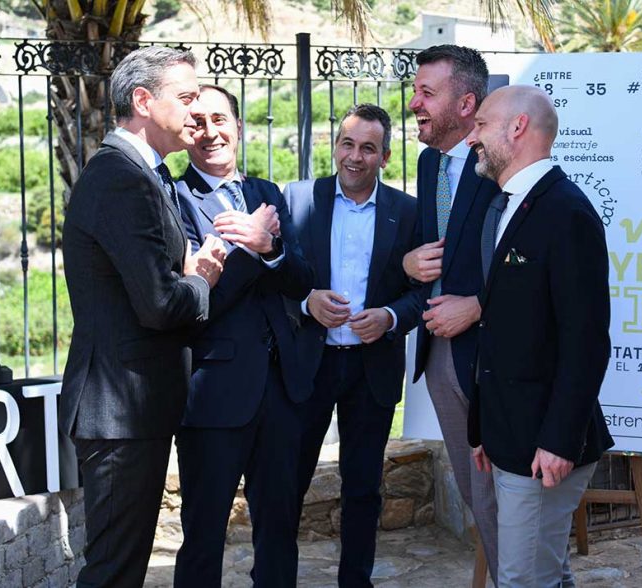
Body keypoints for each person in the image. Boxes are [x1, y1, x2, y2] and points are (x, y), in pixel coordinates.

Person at [58, 47, 227, 588]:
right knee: (113, 573)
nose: (197, 110)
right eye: (186, 96)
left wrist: (185, 274)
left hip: (133, 413)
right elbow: (159, 304)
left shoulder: (143, 173)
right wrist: (202, 279)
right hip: (119, 414)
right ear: (143, 101)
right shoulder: (122, 177)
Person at [466, 85, 614, 587]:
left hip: (543, 448)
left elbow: (586, 340)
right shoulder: (509, 204)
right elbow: (506, 327)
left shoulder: (566, 212)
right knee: (545, 574)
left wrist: (558, 441)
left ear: (518, 127)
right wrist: (485, 429)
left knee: (524, 580)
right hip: (511, 437)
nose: (472, 137)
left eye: (481, 125)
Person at [172, 84, 315, 587]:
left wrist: (271, 248)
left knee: (279, 529)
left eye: (219, 120)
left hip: (281, 388)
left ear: (238, 126)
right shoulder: (174, 199)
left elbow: (301, 279)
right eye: (197, 122)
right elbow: (198, 302)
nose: (210, 132)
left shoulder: (266, 193)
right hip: (215, 393)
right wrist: (254, 250)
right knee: (204, 532)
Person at [284, 104, 422, 588]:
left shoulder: (408, 212)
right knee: (287, 482)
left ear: (385, 157)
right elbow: (272, 280)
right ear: (335, 146)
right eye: (348, 144)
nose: (355, 156)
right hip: (309, 365)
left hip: (371, 368)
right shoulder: (298, 199)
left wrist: (389, 318)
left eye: (368, 148)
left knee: (363, 488)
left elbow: (422, 290)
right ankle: (273, 577)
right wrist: (307, 302)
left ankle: (355, 582)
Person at [401, 44, 500, 579]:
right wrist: (409, 262)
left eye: (426, 92)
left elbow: (531, 261)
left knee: (510, 500)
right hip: (439, 355)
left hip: (493, 359)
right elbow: (429, 250)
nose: (413, 102)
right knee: (476, 496)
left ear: (466, 104)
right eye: (415, 91)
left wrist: (479, 307)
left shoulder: (500, 161)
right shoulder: (427, 162)